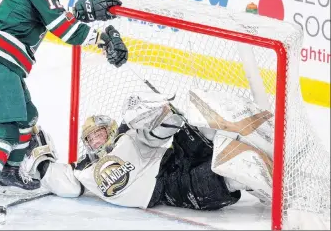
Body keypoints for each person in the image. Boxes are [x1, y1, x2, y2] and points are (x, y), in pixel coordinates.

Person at [0, 0, 128, 220]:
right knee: (4, 133)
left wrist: (76, 12)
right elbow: (66, 30)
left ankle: (10, 171)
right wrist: (103, 38)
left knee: (28, 118)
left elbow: (44, 17)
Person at [21, 89, 275, 212]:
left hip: (173, 158)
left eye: (99, 133)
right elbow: (67, 184)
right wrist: (42, 160)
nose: (97, 141)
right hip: (169, 189)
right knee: (218, 180)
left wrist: (168, 114)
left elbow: (156, 134)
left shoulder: (125, 135)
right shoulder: (84, 170)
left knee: (198, 127)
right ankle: (261, 179)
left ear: (109, 130)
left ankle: (255, 133)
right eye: (91, 138)